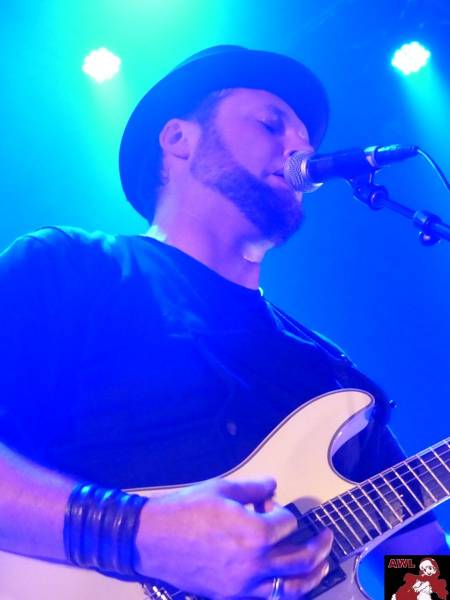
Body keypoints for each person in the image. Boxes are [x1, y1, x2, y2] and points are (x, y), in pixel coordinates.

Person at [0, 45, 446, 600]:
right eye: (270, 124)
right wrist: (139, 536)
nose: (300, 149)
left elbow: (422, 567)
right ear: (178, 140)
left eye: (306, 141)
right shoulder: (69, 269)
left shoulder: (330, 373)